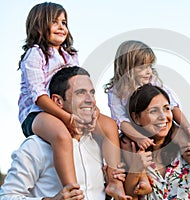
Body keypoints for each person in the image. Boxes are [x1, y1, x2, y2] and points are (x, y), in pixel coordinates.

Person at [17, 2, 124, 197]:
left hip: (66, 109)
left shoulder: (70, 55)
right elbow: (39, 96)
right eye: (55, 22)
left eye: (64, 22)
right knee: (61, 135)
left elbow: (80, 86)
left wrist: (94, 112)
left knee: (108, 125)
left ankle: (114, 180)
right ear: (39, 25)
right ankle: (73, 189)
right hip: (36, 113)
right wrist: (68, 119)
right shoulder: (35, 54)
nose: (61, 27)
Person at [0, 66, 132, 200]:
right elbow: (7, 196)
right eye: (80, 93)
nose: (90, 100)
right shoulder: (36, 146)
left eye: (92, 93)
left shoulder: (102, 143)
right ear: (58, 101)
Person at [104, 40, 190, 193]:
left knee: (182, 136)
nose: (149, 71)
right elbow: (121, 121)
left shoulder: (153, 81)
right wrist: (138, 138)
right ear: (128, 68)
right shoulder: (116, 91)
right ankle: (142, 179)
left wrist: (187, 127)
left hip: (157, 126)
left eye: (150, 66)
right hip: (134, 131)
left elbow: (173, 106)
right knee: (125, 144)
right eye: (143, 67)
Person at [124, 84, 190, 200]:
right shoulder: (127, 151)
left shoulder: (186, 150)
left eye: (166, 108)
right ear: (136, 118)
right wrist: (135, 169)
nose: (163, 117)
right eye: (153, 111)